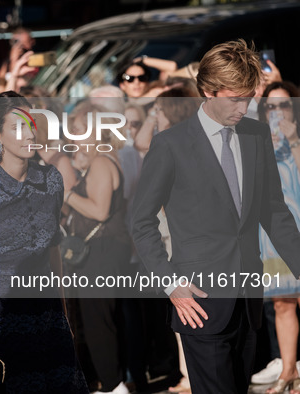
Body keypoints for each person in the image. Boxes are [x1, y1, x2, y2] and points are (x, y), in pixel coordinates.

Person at [131, 39, 300, 394]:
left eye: (249, 96)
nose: (246, 106)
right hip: (199, 302)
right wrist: (171, 284)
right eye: (236, 98)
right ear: (208, 91)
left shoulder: (256, 136)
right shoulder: (171, 144)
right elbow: (140, 221)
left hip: (248, 299)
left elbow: (274, 212)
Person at [0, 91, 88, 393]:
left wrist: (63, 313)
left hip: (48, 316)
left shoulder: (51, 179)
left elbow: (53, 246)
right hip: (1, 320)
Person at [63, 99, 131, 394]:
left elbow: (100, 210)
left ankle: (113, 385)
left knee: (97, 322)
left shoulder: (103, 162)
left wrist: (66, 193)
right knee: (97, 320)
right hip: (103, 250)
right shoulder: (99, 161)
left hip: (103, 251)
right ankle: (111, 382)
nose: (72, 138)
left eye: (77, 130)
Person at [255, 81, 300, 394]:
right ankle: (288, 371)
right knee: (282, 304)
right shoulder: (259, 141)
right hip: (274, 236)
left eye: (283, 105)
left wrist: (294, 139)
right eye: (270, 106)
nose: (276, 112)